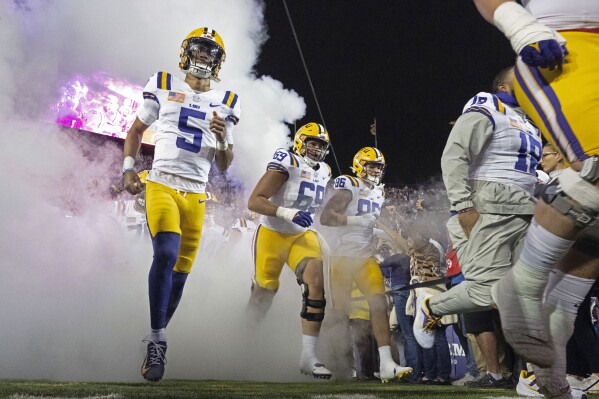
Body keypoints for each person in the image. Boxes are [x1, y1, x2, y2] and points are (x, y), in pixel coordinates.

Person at [473, 2, 599, 397]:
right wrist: (519, 24)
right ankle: (522, 285)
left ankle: (550, 372)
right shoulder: (488, 113)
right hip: (566, 51)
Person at [122, 27, 241, 382]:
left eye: (210, 50)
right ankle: (158, 340)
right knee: (166, 254)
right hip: (161, 182)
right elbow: (134, 131)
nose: (203, 54)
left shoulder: (227, 101)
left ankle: (156, 332)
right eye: (198, 48)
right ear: (187, 51)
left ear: (218, 59)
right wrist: (129, 169)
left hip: (197, 191)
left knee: (181, 274)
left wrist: (222, 139)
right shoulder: (162, 82)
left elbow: (223, 164)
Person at [414, 66, 540, 386]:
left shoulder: (529, 121)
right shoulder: (488, 106)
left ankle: (537, 374)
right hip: (492, 210)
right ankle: (433, 306)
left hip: (525, 212)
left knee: (528, 296)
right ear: (503, 86)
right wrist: (463, 206)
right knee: (485, 292)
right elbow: (454, 155)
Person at [246, 122, 332, 379]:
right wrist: (287, 212)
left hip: (300, 236)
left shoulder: (325, 170)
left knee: (316, 283)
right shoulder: (288, 162)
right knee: (265, 292)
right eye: (312, 142)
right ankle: (246, 339)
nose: (316, 149)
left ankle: (308, 356)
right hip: (272, 234)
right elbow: (255, 200)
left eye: (321, 144)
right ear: (300, 142)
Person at [319, 147, 413, 382]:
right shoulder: (350, 184)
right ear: (359, 165)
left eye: (379, 167)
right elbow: (326, 217)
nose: (375, 170)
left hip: (364, 257)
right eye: (371, 165)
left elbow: (369, 226)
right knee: (338, 314)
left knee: (378, 303)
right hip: (341, 257)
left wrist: (390, 236)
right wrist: (358, 220)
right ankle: (335, 361)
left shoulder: (378, 192)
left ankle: (387, 364)